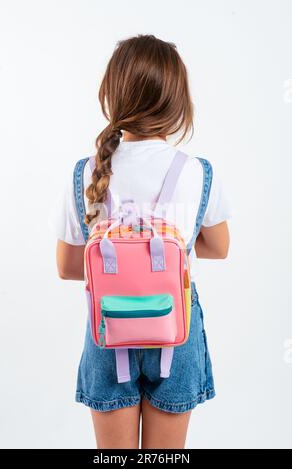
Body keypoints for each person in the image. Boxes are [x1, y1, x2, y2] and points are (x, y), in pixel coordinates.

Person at [53, 34, 231, 449]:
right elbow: (219, 248)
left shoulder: (85, 172)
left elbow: (66, 267)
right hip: (176, 325)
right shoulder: (197, 171)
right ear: (176, 101)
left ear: (112, 95)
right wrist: (173, 250)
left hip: (107, 329)